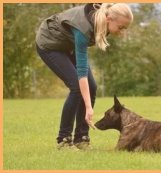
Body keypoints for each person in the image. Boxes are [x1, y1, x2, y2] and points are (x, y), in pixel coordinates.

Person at [35, 3, 133, 149]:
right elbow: (81, 73)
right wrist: (88, 107)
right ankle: (64, 140)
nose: (122, 32)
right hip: (50, 44)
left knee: (91, 87)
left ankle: (81, 138)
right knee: (76, 87)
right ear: (109, 19)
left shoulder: (103, 19)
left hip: (67, 45)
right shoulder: (83, 29)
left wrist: (88, 103)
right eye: (121, 27)